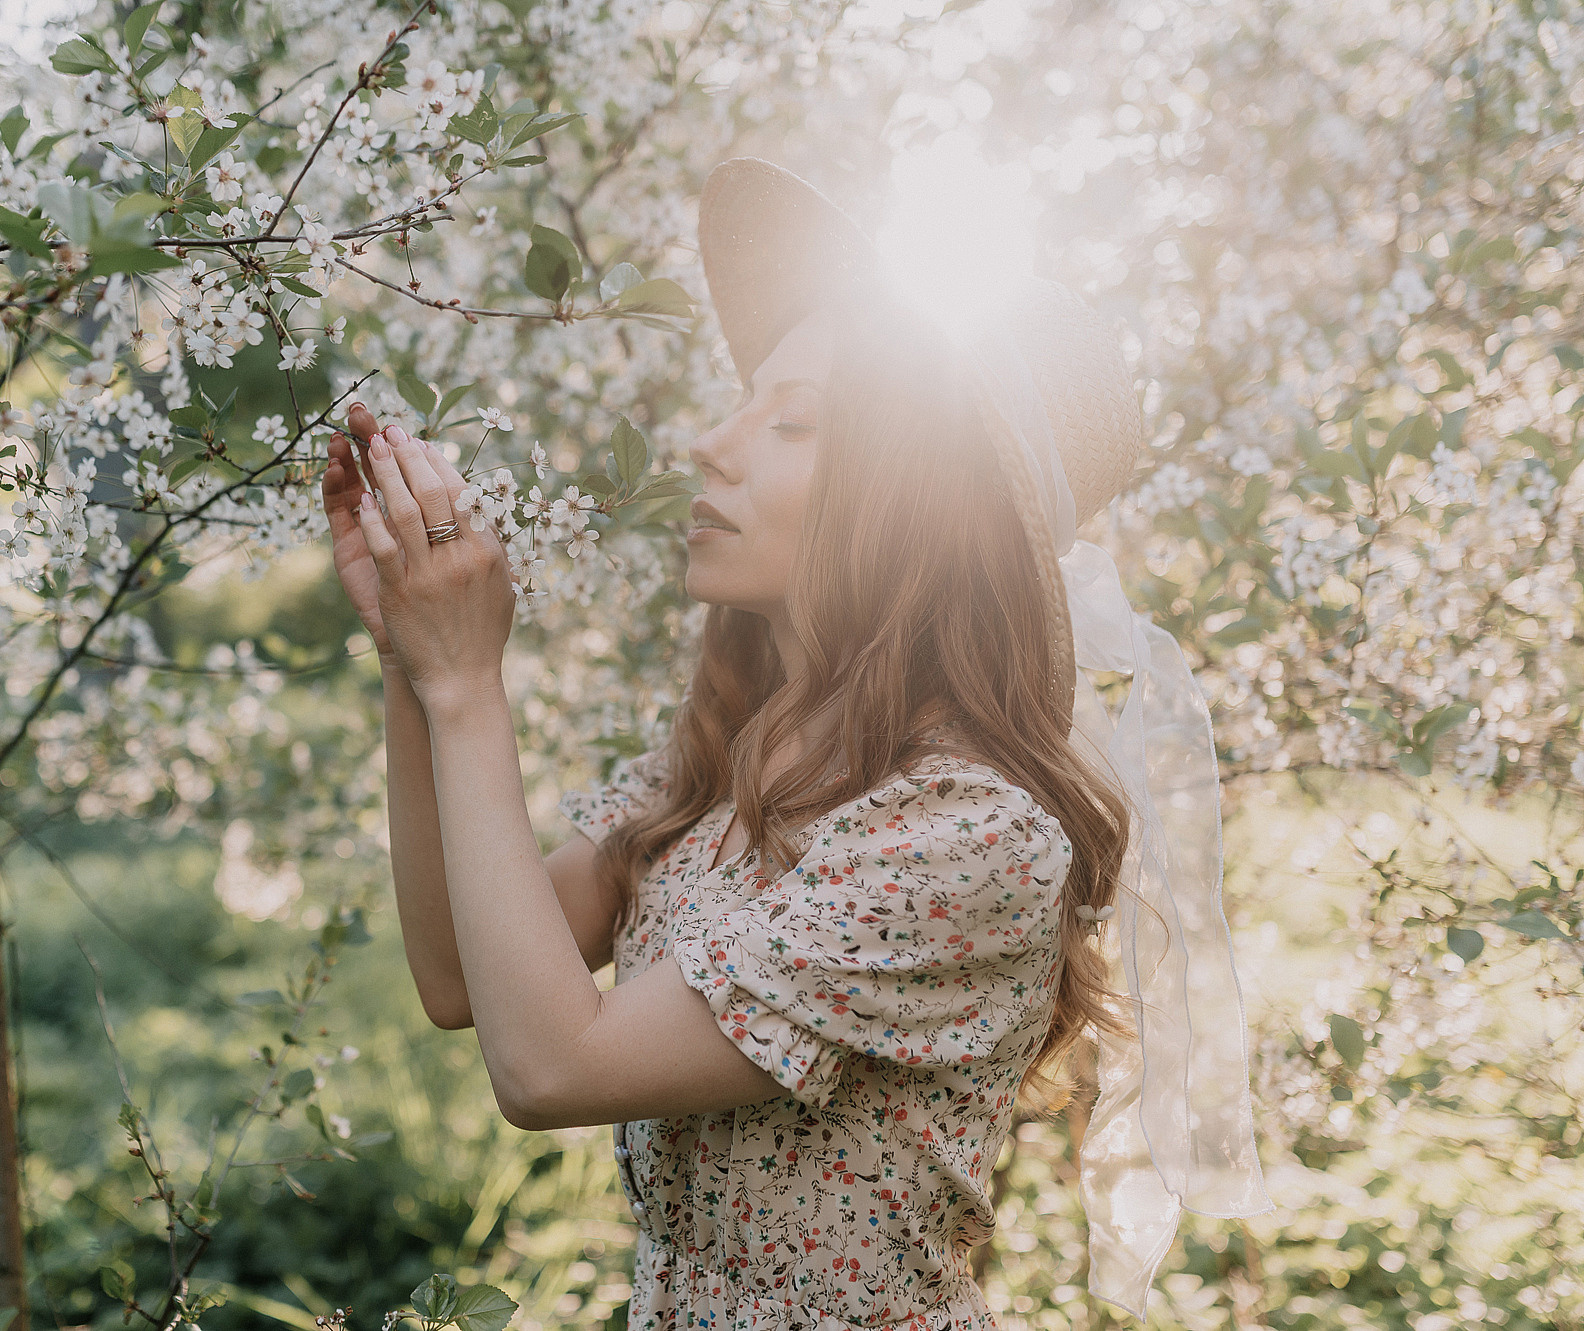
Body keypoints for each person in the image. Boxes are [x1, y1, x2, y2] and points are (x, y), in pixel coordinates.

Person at [317, 157, 1268, 1329]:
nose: (712, 443)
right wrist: (411, 667)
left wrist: (468, 681)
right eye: (741, 400)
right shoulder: (727, 761)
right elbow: (460, 977)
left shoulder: (970, 832)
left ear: (911, 497)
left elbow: (551, 1066)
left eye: (794, 420)